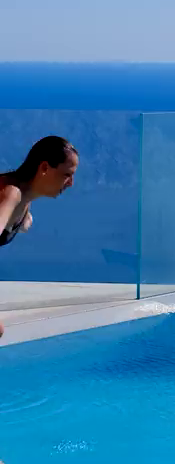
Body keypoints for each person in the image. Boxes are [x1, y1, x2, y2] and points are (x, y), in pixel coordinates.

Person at [0, 136, 79, 338]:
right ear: (44, 167)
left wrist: (22, 222)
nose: (71, 183)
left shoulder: (24, 198)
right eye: (66, 175)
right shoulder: (11, 194)